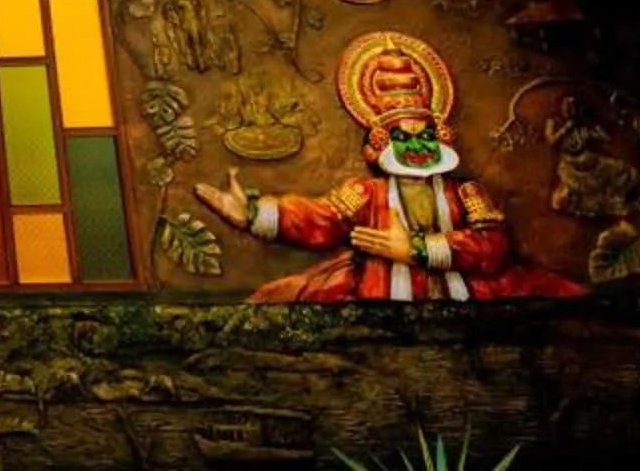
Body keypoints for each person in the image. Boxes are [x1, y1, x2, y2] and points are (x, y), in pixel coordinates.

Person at [193, 30, 585, 302]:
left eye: (424, 136)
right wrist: (251, 214)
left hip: (465, 297)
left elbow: (492, 247)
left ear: (440, 138)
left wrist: (415, 249)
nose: (416, 146)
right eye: (404, 137)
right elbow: (319, 220)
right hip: (384, 294)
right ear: (380, 144)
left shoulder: (465, 193)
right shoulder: (368, 194)